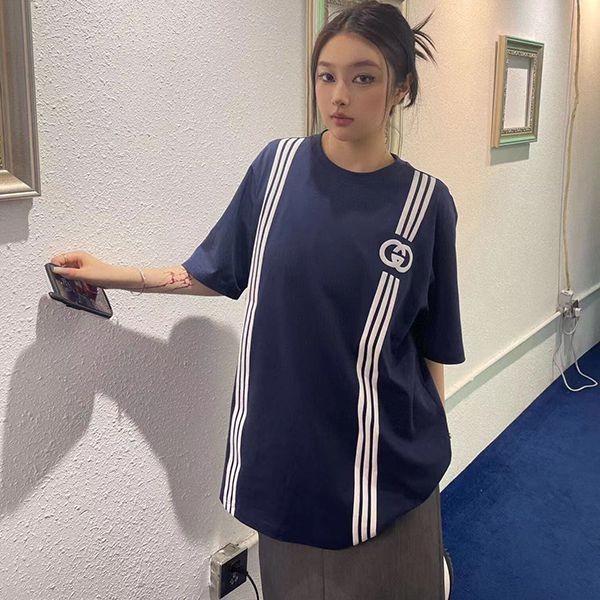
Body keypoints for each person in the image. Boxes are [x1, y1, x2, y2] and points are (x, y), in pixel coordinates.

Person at [49, 2, 465, 598]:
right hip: (289, 464)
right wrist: (112, 274)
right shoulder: (276, 170)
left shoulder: (426, 205)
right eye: (326, 75)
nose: (339, 95)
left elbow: (433, 346)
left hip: (387, 471)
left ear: (400, 88)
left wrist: (428, 453)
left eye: (363, 77)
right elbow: (214, 270)